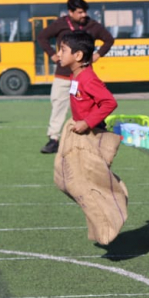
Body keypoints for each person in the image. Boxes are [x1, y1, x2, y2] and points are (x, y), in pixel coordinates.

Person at [53, 31, 127, 246]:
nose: (59, 54)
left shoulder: (87, 77)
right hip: (79, 134)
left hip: (91, 136)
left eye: (63, 50)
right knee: (69, 181)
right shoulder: (76, 75)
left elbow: (109, 102)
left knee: (84, 183)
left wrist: (87, 122)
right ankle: (103, 224)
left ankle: (115, 207)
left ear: (78, 56)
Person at [37, 0, 115, 154]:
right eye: (79, 12)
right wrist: (52, 54)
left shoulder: (92, 25)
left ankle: (95, 133)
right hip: (63, 75)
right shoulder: (60, 24)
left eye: (84, 11)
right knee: (58, 105)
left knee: (87, 105)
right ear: (70, 12)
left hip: (82, 74)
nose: (83, 15)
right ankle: (54, 138)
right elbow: (42, 37)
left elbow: (109, 39)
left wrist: (98, 54)